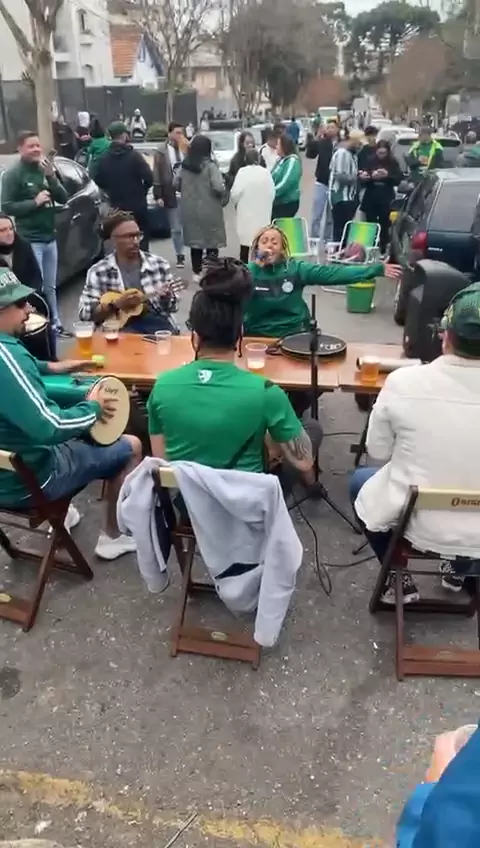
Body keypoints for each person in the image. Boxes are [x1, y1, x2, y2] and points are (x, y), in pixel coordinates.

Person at [350, 282, 480, 604]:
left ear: (445, 335)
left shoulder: (403, 382)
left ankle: (398, 576)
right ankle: (459, 569)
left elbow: (377, 451)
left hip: (420, 522)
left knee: (360, 481)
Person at [0, 267, 142, 558]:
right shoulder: (7, 356)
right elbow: (49, 426)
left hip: (9, 468)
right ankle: (113, 537)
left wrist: (51, 367)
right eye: (20, 303)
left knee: (71, 430)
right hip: (26, 483)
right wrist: (93, 407)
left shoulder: (11, 354)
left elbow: (19, 381)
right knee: (131, 445)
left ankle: (64, 514)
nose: (29, 309)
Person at [147, 257, 319, 487]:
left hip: (187, 500)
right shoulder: (266, 392)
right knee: (312, 428)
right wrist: (273, 445)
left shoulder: (162, 386)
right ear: (239, 337)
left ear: (195, 338)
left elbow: (161, 461)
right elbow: (304, 461)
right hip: (247, 500)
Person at [243, 224, 401, 338]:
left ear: (283, 250)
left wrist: (376, 269)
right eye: (264, 241)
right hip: (257, 335)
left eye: (274, 242)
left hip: (292, 333)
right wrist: (256, 267)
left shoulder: (296, 269)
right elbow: (230, 287)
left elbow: (334, 273)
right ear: (256, 248)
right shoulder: (245, 272)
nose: (269, 246)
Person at [2, 131, 69, 339]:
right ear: (20, 148)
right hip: (30, 240)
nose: (36, 149)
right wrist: (35, 202)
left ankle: (55, 324)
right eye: (31, 146)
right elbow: (7, 206)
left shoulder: (44, 169)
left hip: (50, 236)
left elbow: (63, 197)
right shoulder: (13, 175)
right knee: (33, 287)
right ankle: (33, 328)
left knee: (51, 286)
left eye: (38, 145)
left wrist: (51, 176)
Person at [78, 209, 180, 335]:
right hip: (117, 329)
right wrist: (115, 305)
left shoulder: (159, 264)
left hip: (155, 325)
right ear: (112, 240)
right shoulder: (99, 271)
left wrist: (166, 298)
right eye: (129, 237)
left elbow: (171, 308)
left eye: (138, 235)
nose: (136, 241)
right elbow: (85, 314)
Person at [94, 121, 153, 252]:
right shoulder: (134, 156)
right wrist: (143, 190)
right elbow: (149, 177)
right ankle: (142, 260)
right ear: (124, 135)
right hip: (137, 205)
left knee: (121, 238)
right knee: (141, 237)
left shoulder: (104, 158)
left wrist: (109, 190)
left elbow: (98, 179)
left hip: (117, 207)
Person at [177, 134, 227, 283]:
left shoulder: (184, 166)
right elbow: (218, 187)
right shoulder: (210, 166)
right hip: (209, 209)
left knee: (195, 242)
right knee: (212, 241)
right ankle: (211, 271)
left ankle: (196, 272)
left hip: (190, 210)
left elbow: (175, 184)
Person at [231, 149, 275, 264]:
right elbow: (272, 193)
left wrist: (237, 204)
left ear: (246, 160)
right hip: (262, 213)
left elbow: (235, 193)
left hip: (246, 213)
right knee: (261, 242)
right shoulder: (266, 173)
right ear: (259, 159)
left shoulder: (242, 172)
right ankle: (260, 266)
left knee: (245, 244)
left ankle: (244, 267)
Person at [152, 122, 187, 268]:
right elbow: (157, 173)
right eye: (177, 133)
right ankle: (180, 255)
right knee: (176, 228)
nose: (180, 136)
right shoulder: (162, 151)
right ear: (170, 134)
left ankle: (198, 253)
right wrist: (158, 194)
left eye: (182, 133)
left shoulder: (187, 148)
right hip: (170, 193)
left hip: (188, 192)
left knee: (191, 226)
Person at [360, 140, 402, 254]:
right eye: (379, 153)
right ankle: (370, 248)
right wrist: (369, 176)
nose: (381, 155)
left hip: (386, 198)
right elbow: (363, 178)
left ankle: (383, 249)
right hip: (371, 197)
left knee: (385, 225)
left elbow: (398, 179)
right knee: (370, 225)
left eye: (384, 153)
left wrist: (387, 176)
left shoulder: (393, 162)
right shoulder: (370, 161)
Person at [328, 129, 364, 243]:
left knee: (346, 230)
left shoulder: (353, 155)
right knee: (340, 230)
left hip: (349, 196)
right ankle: (338, 249)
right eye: (359, 143)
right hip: (341, 197)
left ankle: (343, 249)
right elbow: (340, 176)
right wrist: (357, 177)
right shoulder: (342, 154)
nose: (360, 146)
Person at [306, 119, 339, 241]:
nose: (330, 129)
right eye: (328, 127)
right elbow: (310, 154)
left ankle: (327, 240)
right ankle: (314, 240)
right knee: (317, 215)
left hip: (335, 185)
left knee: (331, 217)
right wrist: (316, 138)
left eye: (332, 127)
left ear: (337, 129)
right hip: (321, 183)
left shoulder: (341, 144)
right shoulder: (322, 142)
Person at [271, 133, 302, 220]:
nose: (276, 147)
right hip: (277, 203)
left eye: (278, 144)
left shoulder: (292, 161)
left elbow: (286, 183)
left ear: (284, 146)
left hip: (287, 203)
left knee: (283, 226)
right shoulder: (280, 160)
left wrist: (271, 193)